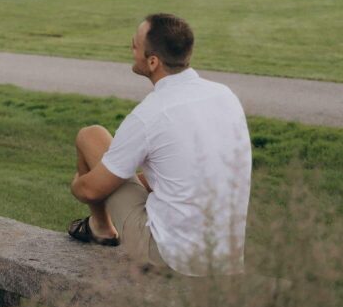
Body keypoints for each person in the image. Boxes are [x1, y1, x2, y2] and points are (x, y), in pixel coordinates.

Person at [67, 14, 252, 276]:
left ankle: (102, 228)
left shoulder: (149, 114)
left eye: (134, 45)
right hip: (226, 257)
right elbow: (187, 171)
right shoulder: (225, 96)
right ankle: (100, 226)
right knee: (117, 166)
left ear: (153, 61)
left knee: (90, 135)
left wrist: (77, 183)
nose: (131, 50)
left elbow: (90, 191)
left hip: (170, 259)